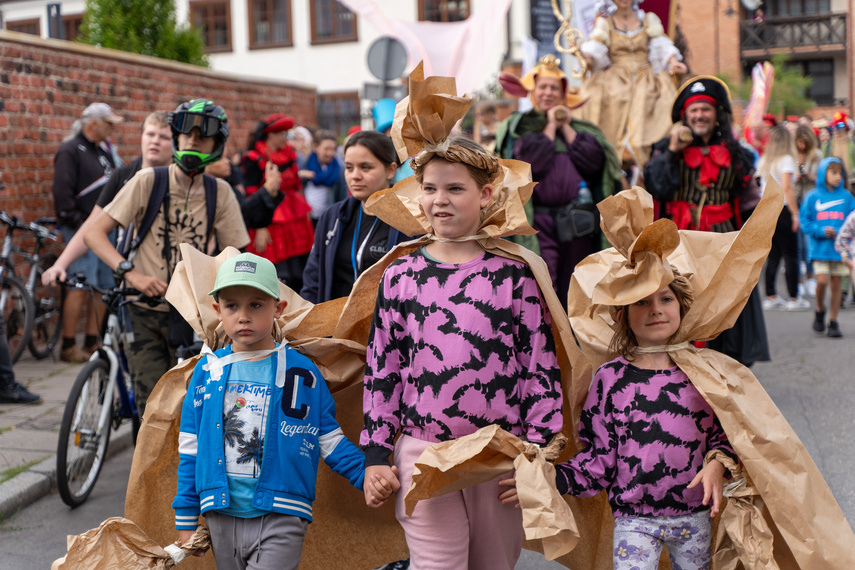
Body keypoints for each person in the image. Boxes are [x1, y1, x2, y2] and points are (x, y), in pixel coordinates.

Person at [361, 135, 563, 569]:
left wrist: (538, 453)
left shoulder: (514, 275)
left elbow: (538, 368)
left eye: (455, 189)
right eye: (430, 189)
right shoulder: (400, 275)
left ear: (485, 194)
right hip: (423, 455)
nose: (440, 201)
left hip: (498, 461)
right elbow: (383, 367)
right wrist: (377, 454)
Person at [173, 252, 390, 569]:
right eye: (232, 306)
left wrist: (365, 474)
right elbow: (190, 450)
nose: (243, 316)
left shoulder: (301, 372)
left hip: (283, 514)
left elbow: (327, 438)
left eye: (256, 305)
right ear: (218, 311)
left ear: (279, 308)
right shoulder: (207, 372)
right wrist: (186, 518)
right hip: (219, 515)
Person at [553, 274, 735, 570]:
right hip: (633, 520)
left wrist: (717, 463)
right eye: (641, 301)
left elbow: (728, 434)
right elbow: (599, 459)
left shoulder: (706, 373)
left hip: (696, 517)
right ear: (622, 314)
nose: (655, 309)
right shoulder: (609, 379)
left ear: (682, 307)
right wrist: (551, 479)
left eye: (665, 298)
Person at [84, 99, 249, 416]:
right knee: (152, 406)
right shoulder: (148, 181)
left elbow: (235, 256)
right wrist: (131, 274)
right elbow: (94, 233)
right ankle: (146, 463)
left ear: (218, 142)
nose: (192, 140)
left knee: (190, 406)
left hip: (191, 317)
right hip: (142, 309)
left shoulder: (220, 192)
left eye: (203, 136)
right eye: (186, 133)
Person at [644, 75, 769, 367]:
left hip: (723, 243)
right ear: (684, 116)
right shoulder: (665, 150)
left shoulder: (738, 154)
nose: (699, 115)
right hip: (679, 244)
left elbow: (749, 202)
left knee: (723, 307)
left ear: (717, 116)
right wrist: (672, 152)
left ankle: (723, 367)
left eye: (706, 109)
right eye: (694, 110)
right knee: (681, 303)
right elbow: (656, 189)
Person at [496, 54, 619, 305]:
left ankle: (577, 339)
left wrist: (565, 125)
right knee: (544, 283)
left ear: (563, 94)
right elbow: (531, 166)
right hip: (539, 223)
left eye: (554, 88)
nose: (548, 93)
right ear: (533, 91)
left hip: (578, 222)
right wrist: (551, 125)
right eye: (543, 87)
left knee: (578, 284)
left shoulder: (582, 130)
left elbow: (594, 162)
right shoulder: (520, 128)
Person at [43, 111, 172, 285]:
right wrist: (61, 264)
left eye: (164, 137)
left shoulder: (181, 180)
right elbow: (92, 225)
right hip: (131, 281)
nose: (155, 140)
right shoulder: (123, 177)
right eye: (150, 134)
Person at [301, 131, 410, 304]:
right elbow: (313, 278)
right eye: (349, 167)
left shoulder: (409, 222)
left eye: (365, 167)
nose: (355, 176)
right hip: (335, 326)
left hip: (384, 327)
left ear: (391, 170)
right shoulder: (333, 216)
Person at [52, 102, 122, 362]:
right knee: (79, 286)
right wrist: (80, 223)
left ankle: (93, 341)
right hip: (82, 230)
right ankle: (69, 345)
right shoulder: (70, 150)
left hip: (105, 231)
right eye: (109, 123)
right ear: (93, 123)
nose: (112, 129)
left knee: (103, 287)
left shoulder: (101, 152)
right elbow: (62, 194)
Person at [576, 0, 687, 166]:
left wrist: (673, 61)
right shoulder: (605, 23)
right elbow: (595, 52)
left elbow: (662, 45)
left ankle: (650, 149)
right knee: (593, 96)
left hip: (646, 77)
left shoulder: (648, 19)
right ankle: (606, 151)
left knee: (654, 98)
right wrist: (581, 55)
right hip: (615, 78)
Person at [242, 113, 314, 292]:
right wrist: (260, 226)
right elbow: (251, 194)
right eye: (282, 134)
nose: (286, 138)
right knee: (278, 272)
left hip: (294, 217)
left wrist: (305, 213)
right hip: (270, 219)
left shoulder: (290, 154)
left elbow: (297, 186)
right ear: (270, 135)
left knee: (300, 268)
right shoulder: (253, 157)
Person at [799, 158, 855, 337]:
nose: (838, 177)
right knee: (822, 281)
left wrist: (838, 231)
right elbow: (805, 221)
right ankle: (820, 309)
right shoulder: (812, 196)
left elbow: (852, 221)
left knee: (836, 283)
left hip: (840, 250)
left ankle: (833, 321)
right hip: (819, 249)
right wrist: (821, 230)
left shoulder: (847, 197)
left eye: (840, 173)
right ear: (823, 173)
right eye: (833, 172)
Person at [758, 126, 808, 311]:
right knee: (791, 255)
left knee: (773, 255)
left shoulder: (765, 160)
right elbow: (787, 188)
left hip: (767, 209)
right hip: (783, 208)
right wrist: (795, 214)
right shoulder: (786, 160)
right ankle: (794, 297)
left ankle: (771, 295)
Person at [794, 124, 823, 297]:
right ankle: (798, 280)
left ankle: (810, 276)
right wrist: (796, 176)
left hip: (811, 199)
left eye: (804, 143)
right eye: (799, 143)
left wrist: (809, 176)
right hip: (796, 199)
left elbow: (822, 178)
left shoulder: (817, 155)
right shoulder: (792, 154)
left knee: (808, 242)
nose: (802, 146)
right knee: (796, 243)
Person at [298, 129, 346, 223]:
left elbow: (342, 198)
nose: (330, 153)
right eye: (326, 149)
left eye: (333, 149)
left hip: (328, 218)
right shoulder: (304, 164)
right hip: (307, 217)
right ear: (316, 147)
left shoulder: (339, 169)